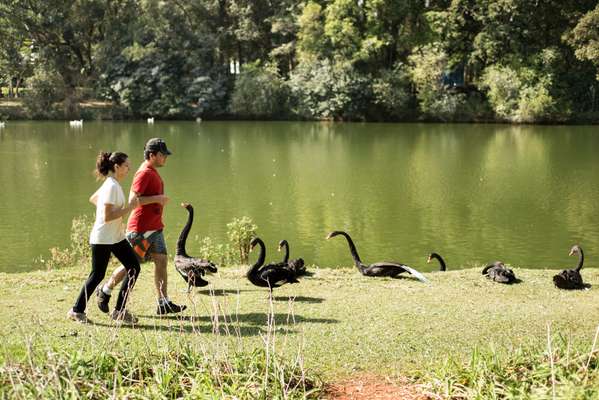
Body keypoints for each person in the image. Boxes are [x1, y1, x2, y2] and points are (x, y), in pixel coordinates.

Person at [97, 138, 186, 315]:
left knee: (161, 262)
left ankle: (163, 303)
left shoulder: (152, 171)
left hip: (155, 228)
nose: (165, 157)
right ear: (152, 155)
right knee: (131, 264)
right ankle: (105, 290)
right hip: (141, 229)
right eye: (162, 154)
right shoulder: (144, 173)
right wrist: (157, 199)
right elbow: (133, 200)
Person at [68, 151, 141, 324]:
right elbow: (108, 216)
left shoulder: (111, 184)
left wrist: (111, 210)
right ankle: (76, 311)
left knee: (133, 267)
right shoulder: (111, 186)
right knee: (97, 275)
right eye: (126, 166)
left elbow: (94, 199)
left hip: (115, 237)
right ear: (116, 167)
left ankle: (119, 311)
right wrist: (129, 208)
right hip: (103, 238)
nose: (129, 169)